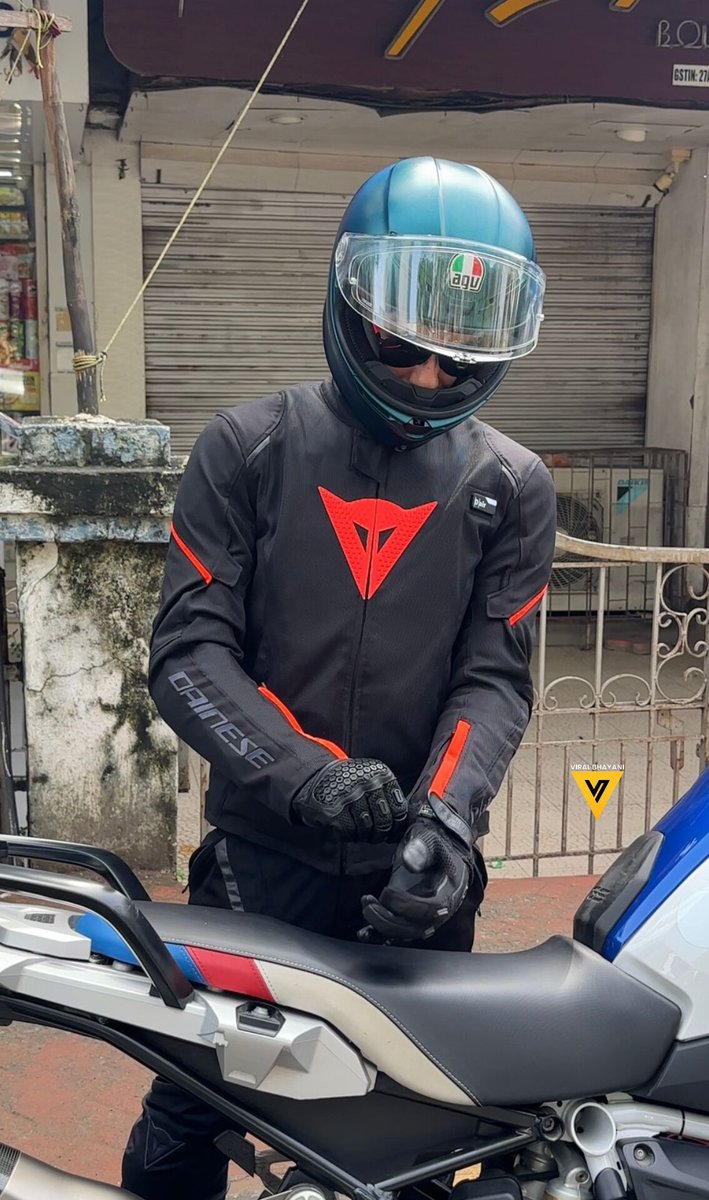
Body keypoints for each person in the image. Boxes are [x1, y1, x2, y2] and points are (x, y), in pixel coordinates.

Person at [122, 156, 557, 1200]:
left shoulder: (512, 485)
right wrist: (302, 773)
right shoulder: (247, 448)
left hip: (420, 880)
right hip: (257, 867)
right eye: (402, 346)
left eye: (458, 360)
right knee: (190, 1118)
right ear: (347, 298)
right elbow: (187, 653)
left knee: (417, 1141)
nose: (425, 379)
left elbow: (495, 678)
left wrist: (446, 818)